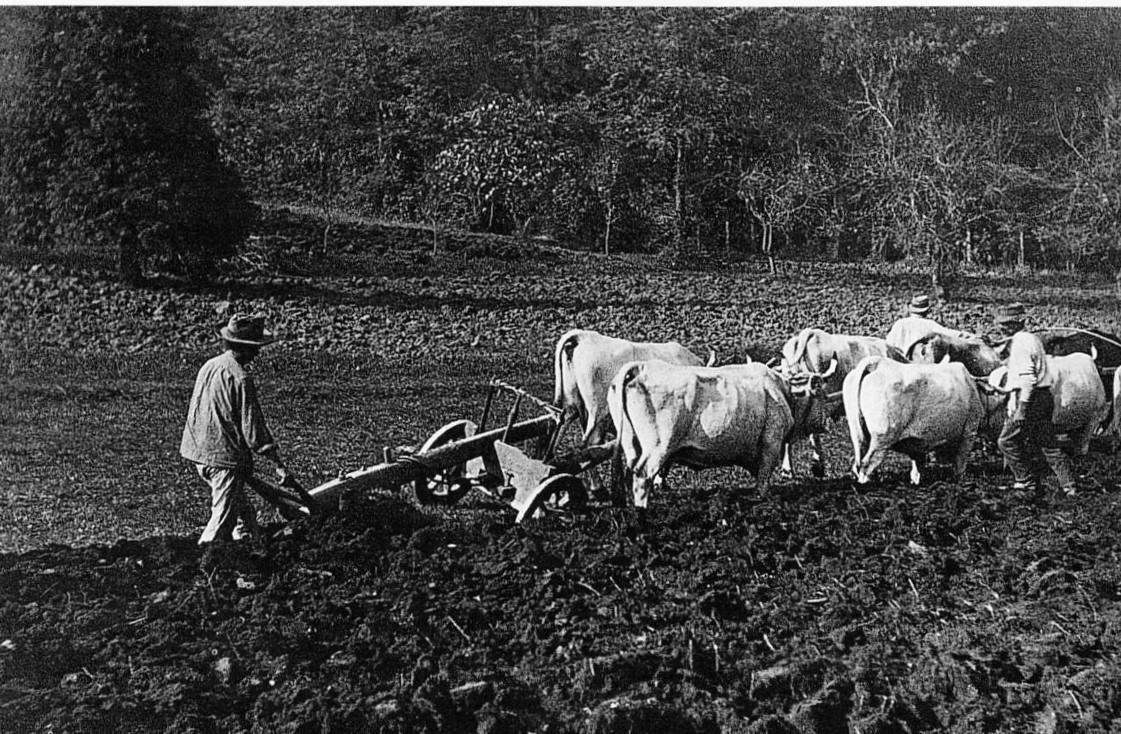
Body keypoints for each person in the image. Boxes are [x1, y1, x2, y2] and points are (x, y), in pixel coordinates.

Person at [180, 313, 290, 545]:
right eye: (255, 348)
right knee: (222, 520)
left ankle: (251, 545)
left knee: (242, 510)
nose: (258, 353)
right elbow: (255, 432)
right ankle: (205, 561)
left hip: (198, 451)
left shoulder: (209, 366)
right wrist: (278, 466)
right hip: (223, 459)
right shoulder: (241, 378)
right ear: (244, 347)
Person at [994, 303, 1076, 496]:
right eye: (1002, 324)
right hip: (1044, 397)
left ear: (1016, 324)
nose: (1001, 327)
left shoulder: (1021, 344)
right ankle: (1069, 486)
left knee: (1006, 441)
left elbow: (1028, 379)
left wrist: (1022, 409)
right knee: (1048, 443)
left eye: (1006, 324)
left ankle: (1026, 482)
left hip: (1030, 399)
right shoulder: (1031, 339)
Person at [885, 294, 969, 357]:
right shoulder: (930, 324)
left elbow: (888, 344)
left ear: (911, 309)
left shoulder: (900, 323)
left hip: (897, 364)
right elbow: (948, 333)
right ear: (926, 311)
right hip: (918, 364)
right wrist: (964, 335)